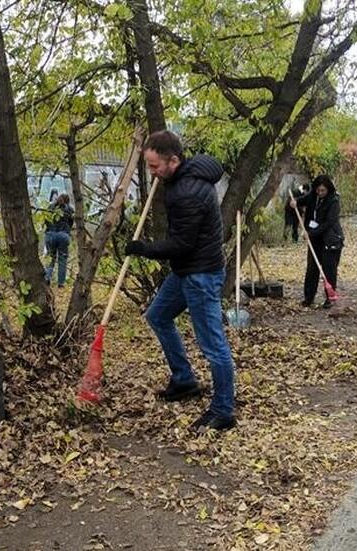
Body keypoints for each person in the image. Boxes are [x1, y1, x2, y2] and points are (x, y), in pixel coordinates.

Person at [124, 130, 236, 432]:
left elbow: (180, 244)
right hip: (187, 269)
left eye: (154, 166)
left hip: (200, 275)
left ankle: (223, 410)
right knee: (158, 316)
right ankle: (184, 379)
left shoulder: (187, 192)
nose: (152, 173)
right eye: (148, 166)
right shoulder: (181, 176)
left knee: (212, 344)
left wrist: (144, 249)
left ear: (173, 160)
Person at [291, 175, 344, 309]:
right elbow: (300, 201)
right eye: (318, 190)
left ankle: (329, 297)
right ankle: (309, 297)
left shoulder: (333, 201)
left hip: (330, 239)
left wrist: (311, 232)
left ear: (328, 189)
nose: (320, 193)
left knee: (329, 269)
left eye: (323, 191)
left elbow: (329, 222)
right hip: (314, 240)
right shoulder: (313, 197)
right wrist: (294, 202)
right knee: (312, 269)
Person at [43, 193, 74, 287]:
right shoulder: (69, 209)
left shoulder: (50, 207)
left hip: (50, 235)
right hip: (63, 236)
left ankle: (47, 278)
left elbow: (46, 220)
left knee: (50, 257)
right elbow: (71, 223)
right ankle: (61, 283)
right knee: (62, 259)